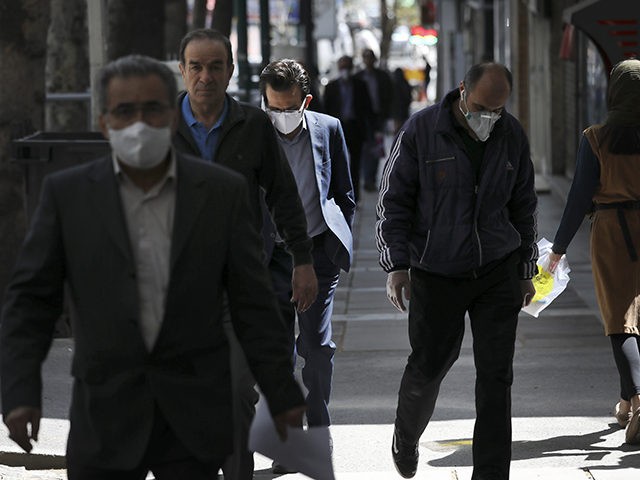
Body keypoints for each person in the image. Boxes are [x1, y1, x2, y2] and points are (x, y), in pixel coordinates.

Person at [0, 55, 306, 480]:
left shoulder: (220, 195)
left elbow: (251, 302)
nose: (139, 123)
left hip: (190, 423)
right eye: (125, 111)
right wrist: (19, 391)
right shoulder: (68, 196)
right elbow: (31, 302)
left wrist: (281, 391)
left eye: (152, 110)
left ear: (171, 117)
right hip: (104, 419)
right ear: (105, 123)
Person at [376, 62, 538, 479]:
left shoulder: (511, 135)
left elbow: (524, 207)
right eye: (482, 107)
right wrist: (396, 265)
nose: (489, 119)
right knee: (430, 364)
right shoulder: (420, 131)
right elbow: (393, 203)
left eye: (498, 111)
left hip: (496, 270)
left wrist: (526, 269)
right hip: (436, 270)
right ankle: (406, 433)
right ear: (463, 90)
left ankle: (489, 473)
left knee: (496, 378)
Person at [171, 29, 317, 479]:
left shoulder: (252, 126)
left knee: (237, 392)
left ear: (231, 72)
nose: (205, 76)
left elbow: (284, 197)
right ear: (183, 71)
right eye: (196, 66)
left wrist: (303, 261)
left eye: (216, 66)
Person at [259, 58, 356, 472]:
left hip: (316, 256)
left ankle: (319, 432)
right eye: (273, 108)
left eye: (288, 108)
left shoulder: (328, 128)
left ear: (306, 101)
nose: (281, 117)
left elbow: (344, 193)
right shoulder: (251, 131)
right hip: (269, 258)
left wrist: (335, 244)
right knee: (277, 357)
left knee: (315, 350)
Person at [548, 59, 640, 446]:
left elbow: (577, 198)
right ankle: (625, 402)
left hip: (613, 233)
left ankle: (637, 398)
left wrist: (558, 248)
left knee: (620, 319)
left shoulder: (596, 138)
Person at [323, 55, 374, 203]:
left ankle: (354, 197)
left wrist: (371, 129)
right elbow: (326, 110)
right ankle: (337, 195)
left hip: (355, 129)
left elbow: (367, 108)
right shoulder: (331, 87)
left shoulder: (360, 85)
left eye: (347, 66)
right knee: (336, 163)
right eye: (342, 66)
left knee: (355, 165)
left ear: (352, 68)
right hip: (337, 129)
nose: (344, 70)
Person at [355, 48, 392, 192]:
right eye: (365, 57)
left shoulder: (382, 76)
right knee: (364, 148)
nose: (368, 60)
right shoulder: (358, 77)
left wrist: (388, 116)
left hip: (378, 117)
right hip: (363, 118)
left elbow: (389, 96)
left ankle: (371, 178)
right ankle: (366, 178)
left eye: (370, 57)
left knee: (376, 147)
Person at [390, 67, 413, 134]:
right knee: (403, 125)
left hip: (396, 108)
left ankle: (397, 137)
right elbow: (409, 96)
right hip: (403, 108)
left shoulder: (393, 84)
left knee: (397, 124)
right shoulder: (405, 83)